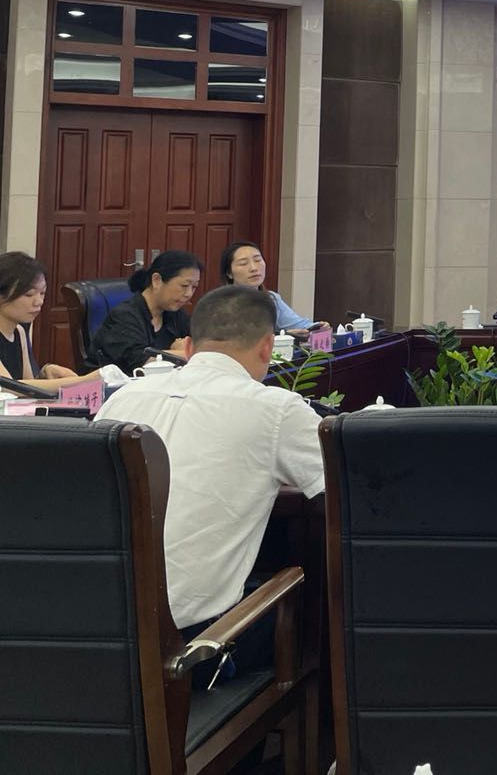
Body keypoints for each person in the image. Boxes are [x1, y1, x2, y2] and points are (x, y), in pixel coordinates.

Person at [95, 284, 325, 630]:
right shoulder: (276, 409)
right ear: (267, 347)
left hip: (97, 621)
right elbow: (347, 486)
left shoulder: (123, 397)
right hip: (196, 642)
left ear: (188, 347)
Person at [0, 250, 102, 394]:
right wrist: (84, 380)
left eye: (42, 293)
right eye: (29, 294)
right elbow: (7, 388)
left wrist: (45, 372)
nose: (39, 302)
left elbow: (27, 389)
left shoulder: (19, 331)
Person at [87, 249, 201, 374]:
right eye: (184, 286)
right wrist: (183, 352)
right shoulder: (124, 315)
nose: (189, 294)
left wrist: (186, 350)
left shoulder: (174, 313)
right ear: (157, 280)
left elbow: (204, 345)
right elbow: (141, 362)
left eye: (194, 287)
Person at [220, 240, 322, 334]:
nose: (254, 268)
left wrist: (316, 327)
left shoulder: (272, 298)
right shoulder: (220, 304)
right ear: (229, 273)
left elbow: (298, 325)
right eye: (243, 263)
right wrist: (282, 336)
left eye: (258, 260)